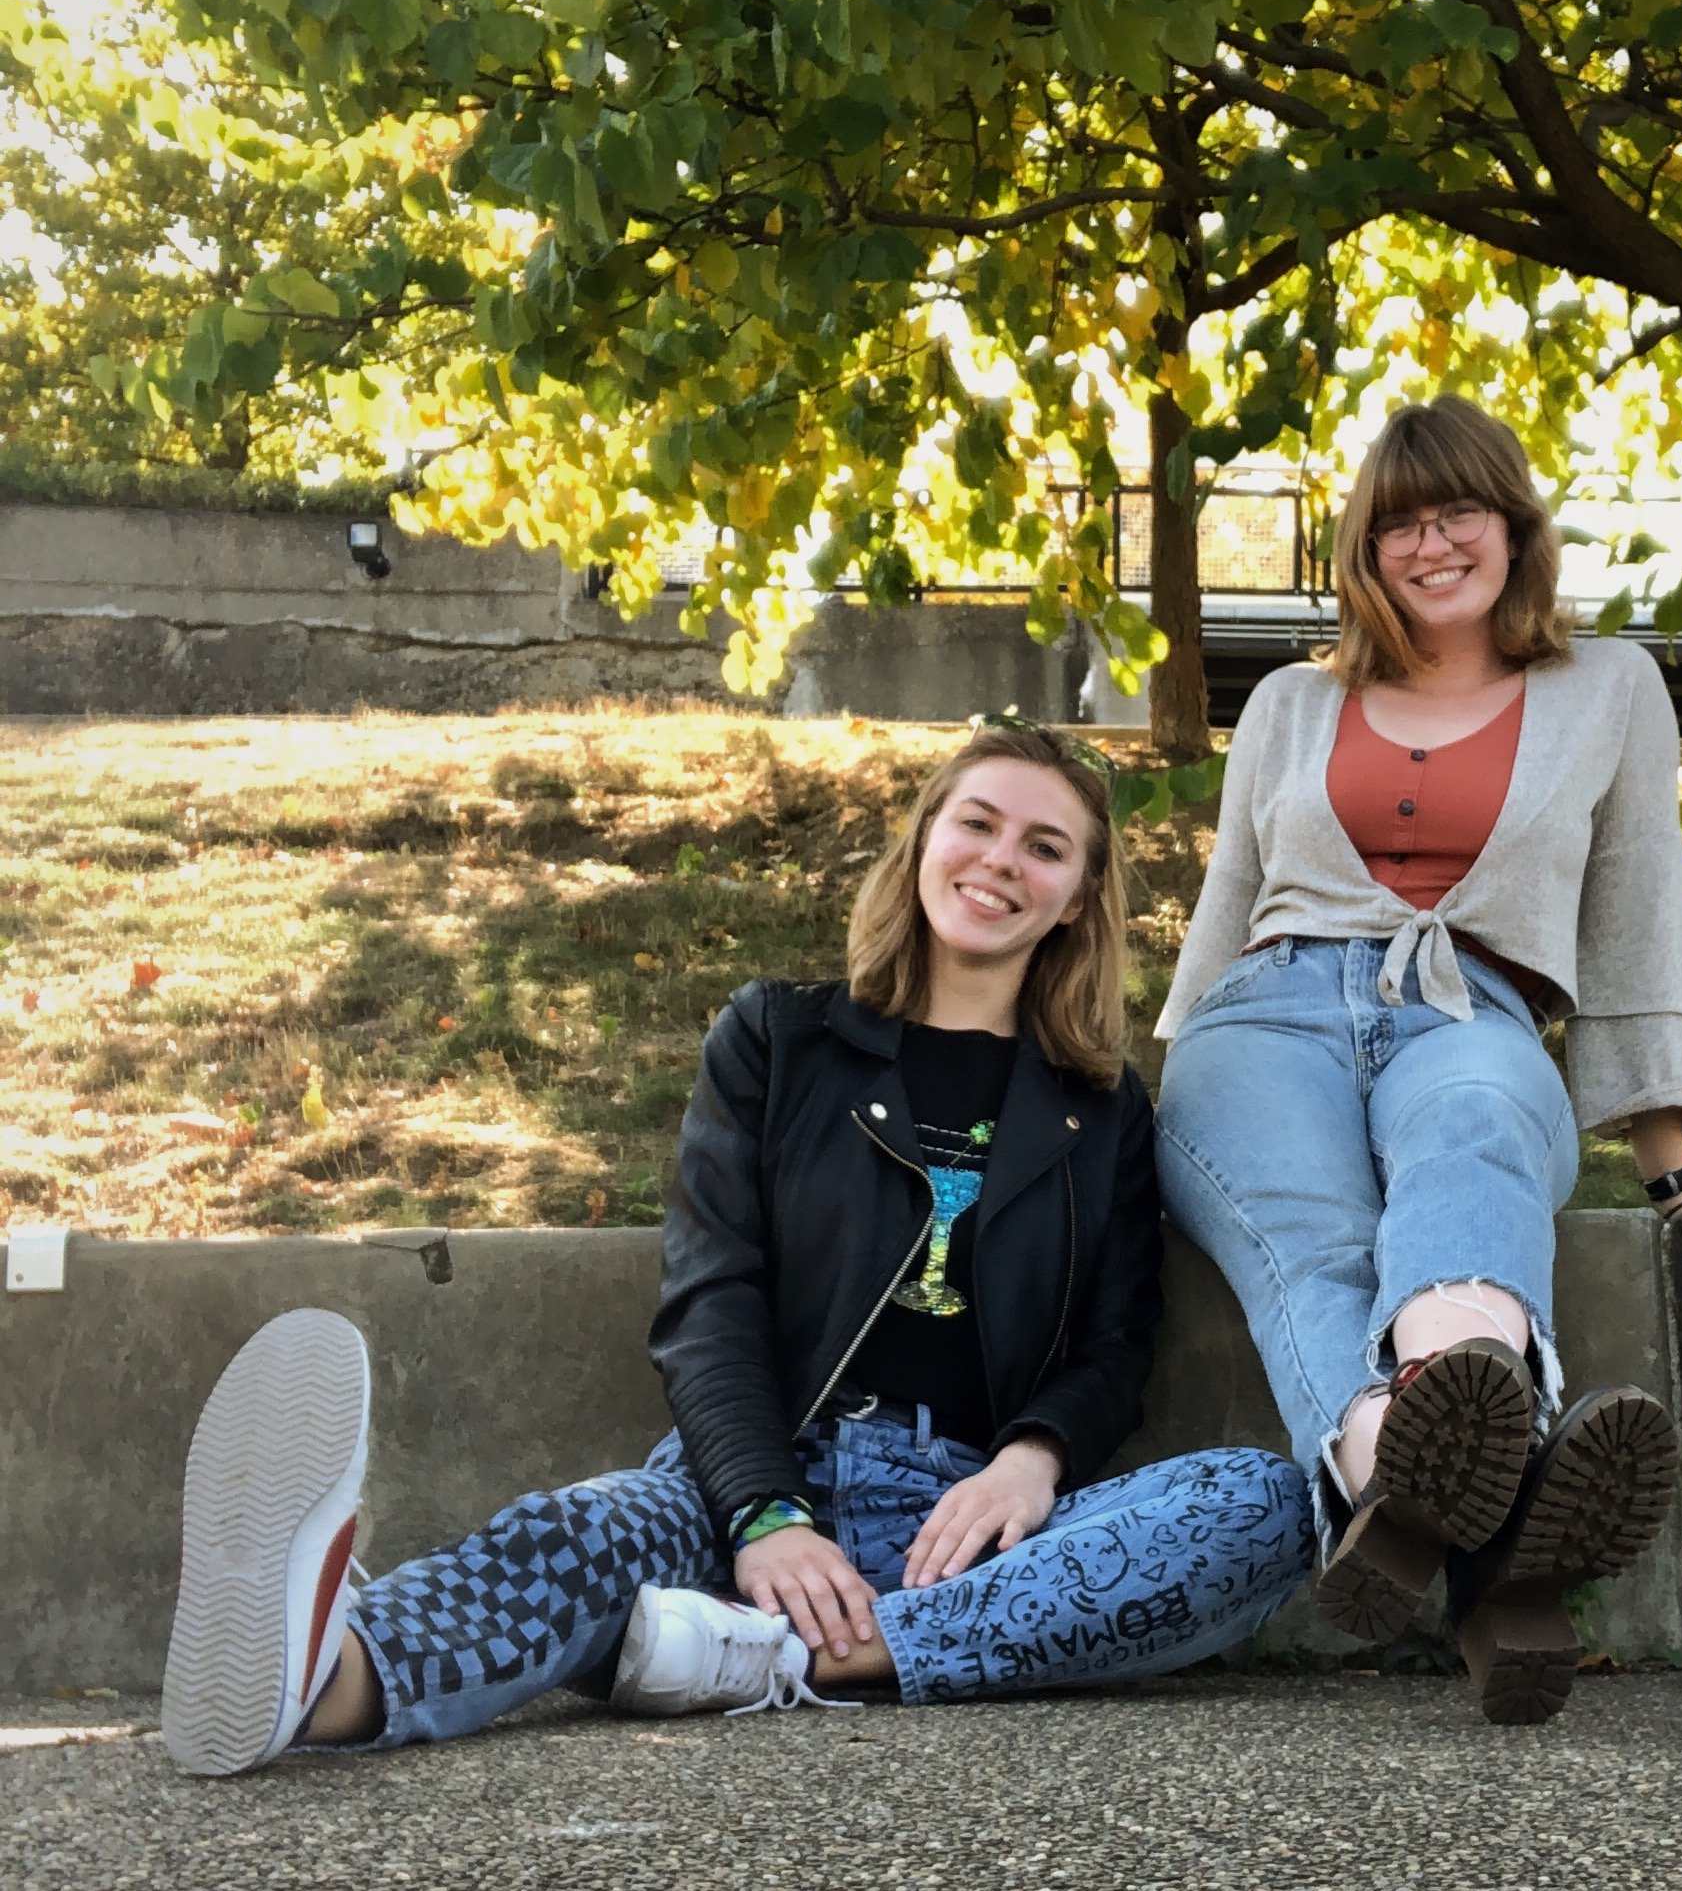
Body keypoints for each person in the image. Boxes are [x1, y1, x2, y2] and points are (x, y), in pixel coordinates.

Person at [160, 725, 1311, 1778]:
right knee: (585, 1534)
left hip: (966, 1527)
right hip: (750, 1477)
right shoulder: (778, 1039)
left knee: (1266, 1503)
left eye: (1045, 847)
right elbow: (710, 1299)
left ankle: (775, 1660)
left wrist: (1032, 1460)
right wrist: (763, 1510)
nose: (1002, 861)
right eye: (977, 823)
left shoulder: (1098, 1110)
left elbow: (1116, 1343)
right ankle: (317, 1678)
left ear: (1074, 899)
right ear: (923, 841)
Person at [1155, 395, 1682, 1725]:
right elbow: (1227, 906)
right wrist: (1137, 1101)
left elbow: (1639, 911)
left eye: (1459, 510)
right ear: (1363, 549)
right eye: (1399, 522)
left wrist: (1668, 1162)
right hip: (1266, 1016)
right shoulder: (1297, 704)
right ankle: (1468, 1492)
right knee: (1308, 1239)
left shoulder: (1607, 687)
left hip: (1471, 1007)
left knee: (1471, 1122)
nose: (1432, 543)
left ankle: (1410, 1456)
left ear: (1514, 529)